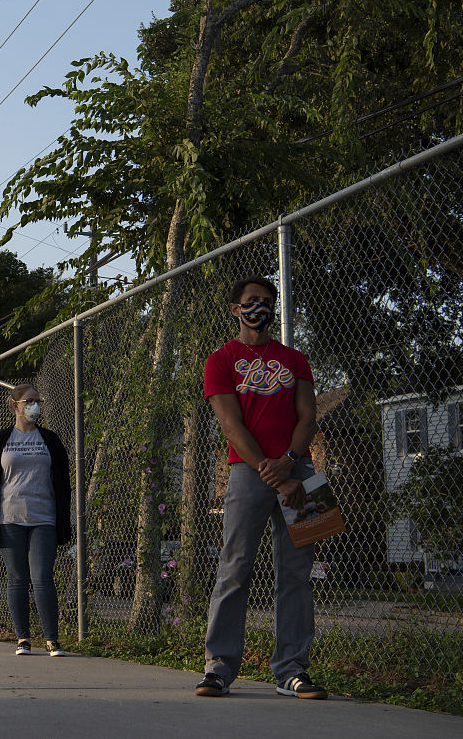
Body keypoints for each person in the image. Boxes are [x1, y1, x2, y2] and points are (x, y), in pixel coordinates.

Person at [197, 277, 325, 700]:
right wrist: (269, 470)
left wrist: (290, 461)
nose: (261, 307)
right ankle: (219, 667)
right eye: (252, 301)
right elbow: (230, 425)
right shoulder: (221, 360)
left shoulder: (295, 359)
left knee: (298, 574)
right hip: (246, 473)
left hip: (302, 471)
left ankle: (292, 670)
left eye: (268, 301)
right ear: (235, 309)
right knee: (234, 566)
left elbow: (308, 414)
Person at [0, 384, 70, 656]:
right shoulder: (1, 440)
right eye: (28, 401)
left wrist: (63, 519)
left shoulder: (50, 440)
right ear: (14, 405)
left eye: (36, 401)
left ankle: (52, 639)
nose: (34, 405)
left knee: (42, 577)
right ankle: (22, 638)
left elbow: (63, 480)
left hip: (44, 518)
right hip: (10, 518)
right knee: (17, 578)